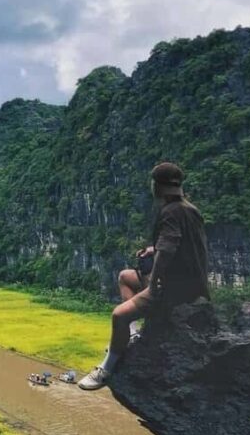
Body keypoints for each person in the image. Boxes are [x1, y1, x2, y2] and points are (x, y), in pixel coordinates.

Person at [78, 162, 210, 391]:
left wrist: (154, 282)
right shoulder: (189, 209)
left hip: (176, 290)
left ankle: (106, 369)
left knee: (119, 315)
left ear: (156, 186)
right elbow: (179, 244)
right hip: (194, 284)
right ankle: (135, 333)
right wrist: (153, 249)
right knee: (125, 277)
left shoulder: (169, 212)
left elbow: (168, 249)